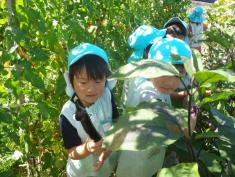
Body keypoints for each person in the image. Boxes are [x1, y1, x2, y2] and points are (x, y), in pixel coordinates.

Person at [118, 38, 196, 177]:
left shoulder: (141, 78)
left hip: (138, 149)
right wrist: (194, 109)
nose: (169, 81)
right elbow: (185, 130)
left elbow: (165, 94)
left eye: (177, 75)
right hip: (140, 157)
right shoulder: (147, 94)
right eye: (163, 72)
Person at [59, 43, 119, 177]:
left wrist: (109, 146)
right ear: (71, 81)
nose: (91, 89)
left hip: (105, 162)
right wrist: (87, 148)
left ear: (106, 78)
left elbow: (116, 121)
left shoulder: (106, 96)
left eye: (98, 81)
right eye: (83, 82)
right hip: (82, 171)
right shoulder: (68, 114)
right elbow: (72, 152)